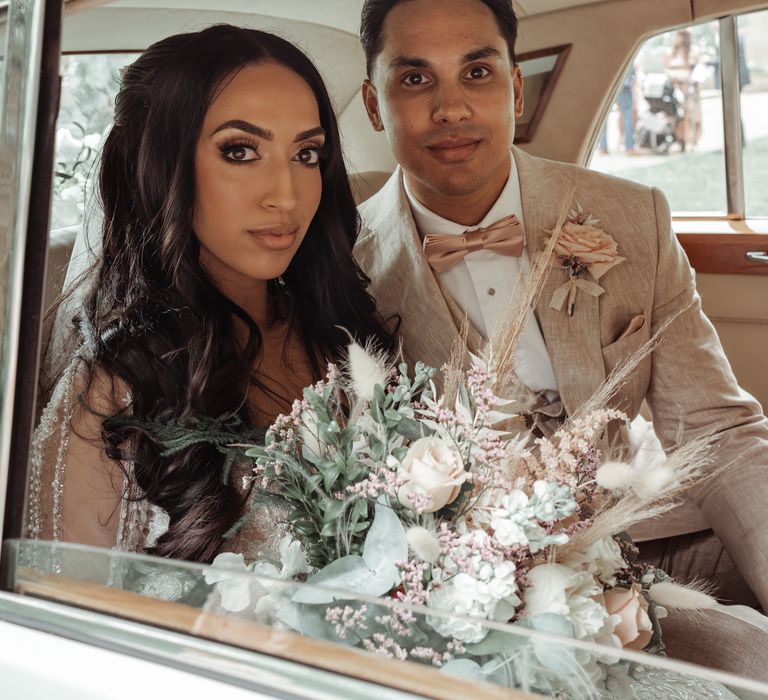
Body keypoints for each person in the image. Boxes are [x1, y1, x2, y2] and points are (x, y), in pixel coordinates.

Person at [354, 0, 768, 621]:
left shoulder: (633, 218)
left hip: (657, 536)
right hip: (462, 588)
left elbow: (716, 430)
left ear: (515, 89)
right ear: (372, 104)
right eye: (415, 79)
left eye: (477, 72)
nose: (452, 109)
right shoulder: (340, 265)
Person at [25, 25, 393, 564]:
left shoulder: (344, 334)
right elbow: (67, 621)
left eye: (307, 154)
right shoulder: (112, 396)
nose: (286, 195)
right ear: (161, 165)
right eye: (240, 151)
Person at [663, 29, 703, 151]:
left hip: (689, 90)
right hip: (675, 89)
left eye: (678, 36)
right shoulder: (671, 53)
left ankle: (691, 140)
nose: (676, 38)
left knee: (691, 114)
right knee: (677, 115)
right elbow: (665, 68)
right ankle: (679, 140)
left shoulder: (693, 51)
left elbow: (696, 69)